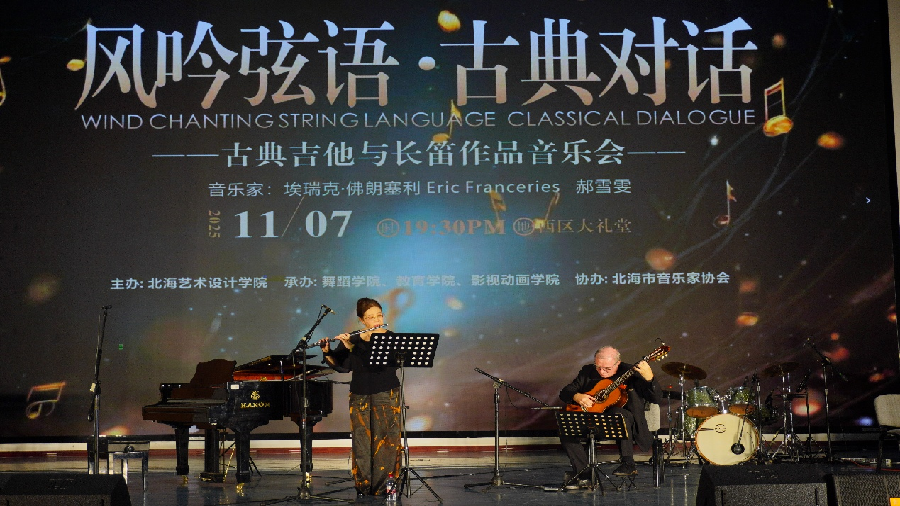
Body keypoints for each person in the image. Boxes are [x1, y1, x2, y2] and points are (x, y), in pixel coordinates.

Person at [318, 298, 401, 497]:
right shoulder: (353, 338)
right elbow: (342, 367)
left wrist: (354, 347)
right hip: (359, 394)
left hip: (386, 393)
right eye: (371, 317)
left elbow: (387, 363)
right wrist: (329, 351)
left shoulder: (391, 338)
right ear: (362, 320)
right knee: (361, 441)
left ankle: (386, 486)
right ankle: (364, 486)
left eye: (379, 315)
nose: (377, 320)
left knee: (386, 441)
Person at [559, 346, 662, 484]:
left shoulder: (631, 372)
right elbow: (565, 392)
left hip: (623, 425)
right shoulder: (587, 371)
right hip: (592, 421)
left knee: (617, 413)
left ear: (617, 363)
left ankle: (628, 463)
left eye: (607, 369)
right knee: (566, 430)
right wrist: (577, 396)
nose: (602, 372)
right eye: (598, 367)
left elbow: (656, 398)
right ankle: (584, 473)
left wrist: (650, 379)